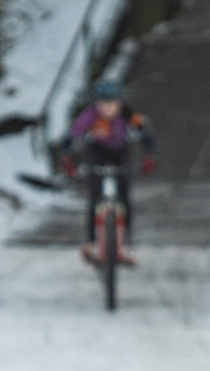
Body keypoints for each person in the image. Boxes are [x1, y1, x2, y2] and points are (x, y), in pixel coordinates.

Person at [63, 79, 156, 259]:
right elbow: (74, 132)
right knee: (95, 196)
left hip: (120, 151)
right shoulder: (90, 115)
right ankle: (91, 241)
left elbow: (144, 132)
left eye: (112, 103)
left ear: (119, 102)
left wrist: (149, 155)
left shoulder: (128, 113)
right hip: (97, 150)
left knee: (124, 197)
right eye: (103, 104)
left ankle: (126, 242)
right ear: (96, 103)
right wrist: (66, 155)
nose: (107, 108)